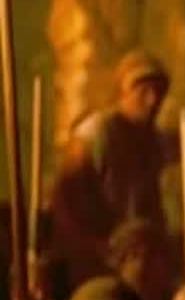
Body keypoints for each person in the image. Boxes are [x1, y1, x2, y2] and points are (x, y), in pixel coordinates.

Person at [52, 50, 171, 282]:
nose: (153, 100)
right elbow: (65, 202)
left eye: (158, 92)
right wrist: (97, 248)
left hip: (139, 256)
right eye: (143, 91)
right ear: (123, 93)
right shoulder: (96, 133)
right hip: (96, 257)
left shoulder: (154, 141)